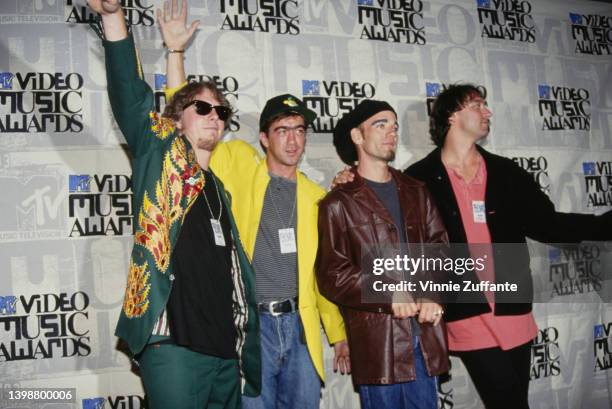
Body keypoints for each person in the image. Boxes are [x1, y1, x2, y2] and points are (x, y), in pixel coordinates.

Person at [159, 1, 350, 408]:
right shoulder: (237, 160)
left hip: (300, 329)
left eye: (300, 130)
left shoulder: (319, 198)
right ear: (264, 138)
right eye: (282, 130)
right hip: (251, 325)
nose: (293, 140)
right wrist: (175, 53)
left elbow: (323, 273)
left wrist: (336, 333)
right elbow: (183, 123)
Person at [87, 1, 260, 408]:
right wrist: (114, 17)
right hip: (172, 346)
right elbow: (130, 94)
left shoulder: (219, 189)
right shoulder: (161, 158)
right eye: (202, 108)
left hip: (224, 353)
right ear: (177, 119)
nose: (214, 116)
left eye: (221, 111)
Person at [404, 84, 612, 409]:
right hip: (465, 309)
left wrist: (605, 224)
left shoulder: (506, 172)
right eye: (478, 105)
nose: (488, 112)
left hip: (512, 305)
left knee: (516, 401)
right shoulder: (418, 179)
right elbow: (406, 243)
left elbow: (547, 223)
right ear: (452, 114)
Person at [316, 99, 450, 409]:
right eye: (380, 125)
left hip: (425, 338)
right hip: (380, 347)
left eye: (394, 126)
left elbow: (441, 250)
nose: (391, 132)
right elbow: (332, 274)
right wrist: (386, 292)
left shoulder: (417, 190)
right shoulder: (337, 203)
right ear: (357, 136)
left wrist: (432, 294)